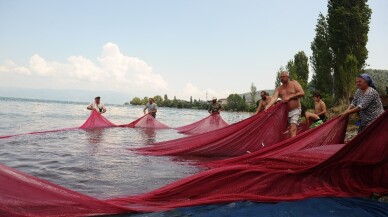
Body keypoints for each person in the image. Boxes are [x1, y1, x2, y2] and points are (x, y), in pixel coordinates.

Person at [264, 71, 305, 137]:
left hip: (296, 110)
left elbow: (302, 93)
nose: (281, 78)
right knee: (282, 131)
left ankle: (294, 146)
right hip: (284, 113)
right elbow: (274, 98)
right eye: (280, 77)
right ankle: (287, 144)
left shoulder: (294, 83)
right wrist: (268, 106)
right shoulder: (279, 88)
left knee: (292, 128)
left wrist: (289, 97)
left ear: (288, 76)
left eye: (283, 77)